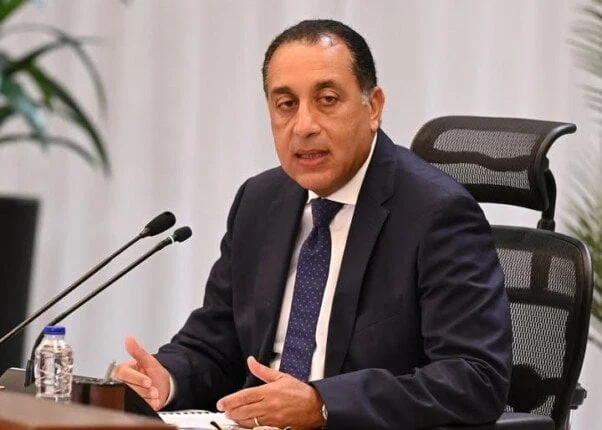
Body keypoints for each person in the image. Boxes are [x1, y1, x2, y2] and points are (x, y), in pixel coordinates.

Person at [113, 19, 512, 430]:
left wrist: (322, 404)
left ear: (373, 107)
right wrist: (167, 378)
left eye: (327, 100)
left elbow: (475, 377)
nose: (304, 126)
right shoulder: (260, 201)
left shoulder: (436, 213)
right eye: (286, 104)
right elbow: (216, 346)